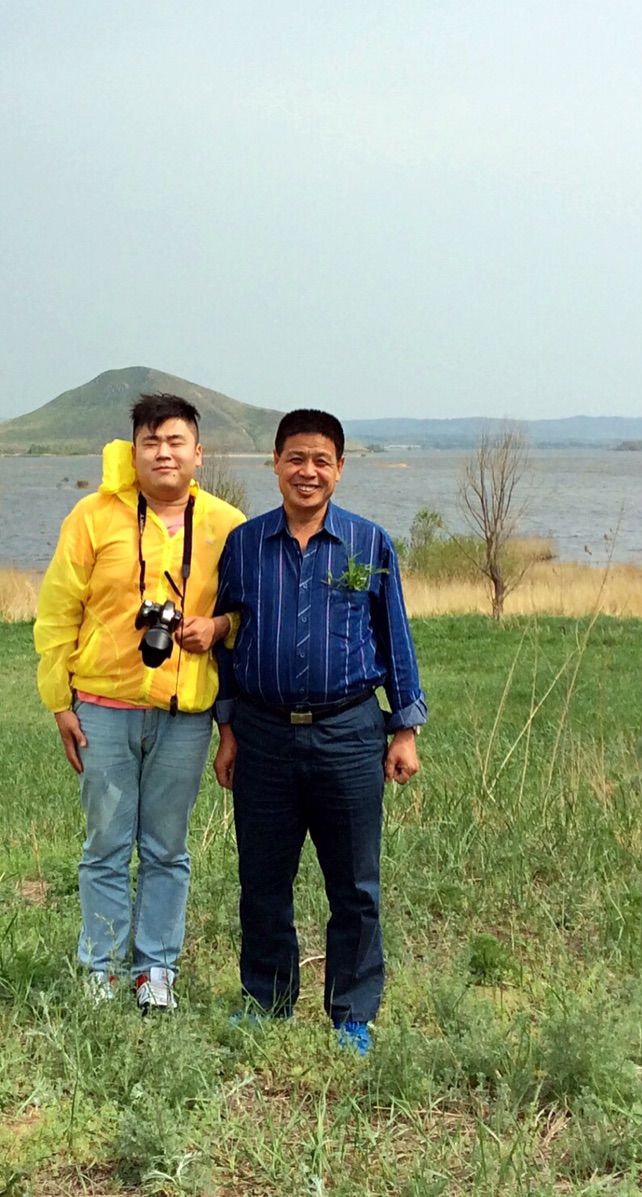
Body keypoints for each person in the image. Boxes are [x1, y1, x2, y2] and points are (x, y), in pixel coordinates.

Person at [212, 408, 426, 1055]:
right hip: (263, 734)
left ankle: (352, 1014)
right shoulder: (245, 546)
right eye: (296, 458)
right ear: (275, 464)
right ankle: (267, 998)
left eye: (321, 459)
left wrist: (405, 726)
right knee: (263, 878)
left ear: (338, 468)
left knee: (354, 883)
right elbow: (226, 639)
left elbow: (396, 636)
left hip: (350, 732)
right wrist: (226, 726)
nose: (308, 470)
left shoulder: (368, 544)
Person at [33, 394, 247, 1011]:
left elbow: (248, 614)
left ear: (198, 454)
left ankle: (155, 970)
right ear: (134, 451)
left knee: (166, 848)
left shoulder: (225, 524)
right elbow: (57, 613)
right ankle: (100, 970)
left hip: (185, 713)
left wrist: (218, 627)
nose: (163, 453)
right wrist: (59, 700)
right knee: (104, 845)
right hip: (102, 704)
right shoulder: (93, 517)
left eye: (176, 441)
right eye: (151, 442)